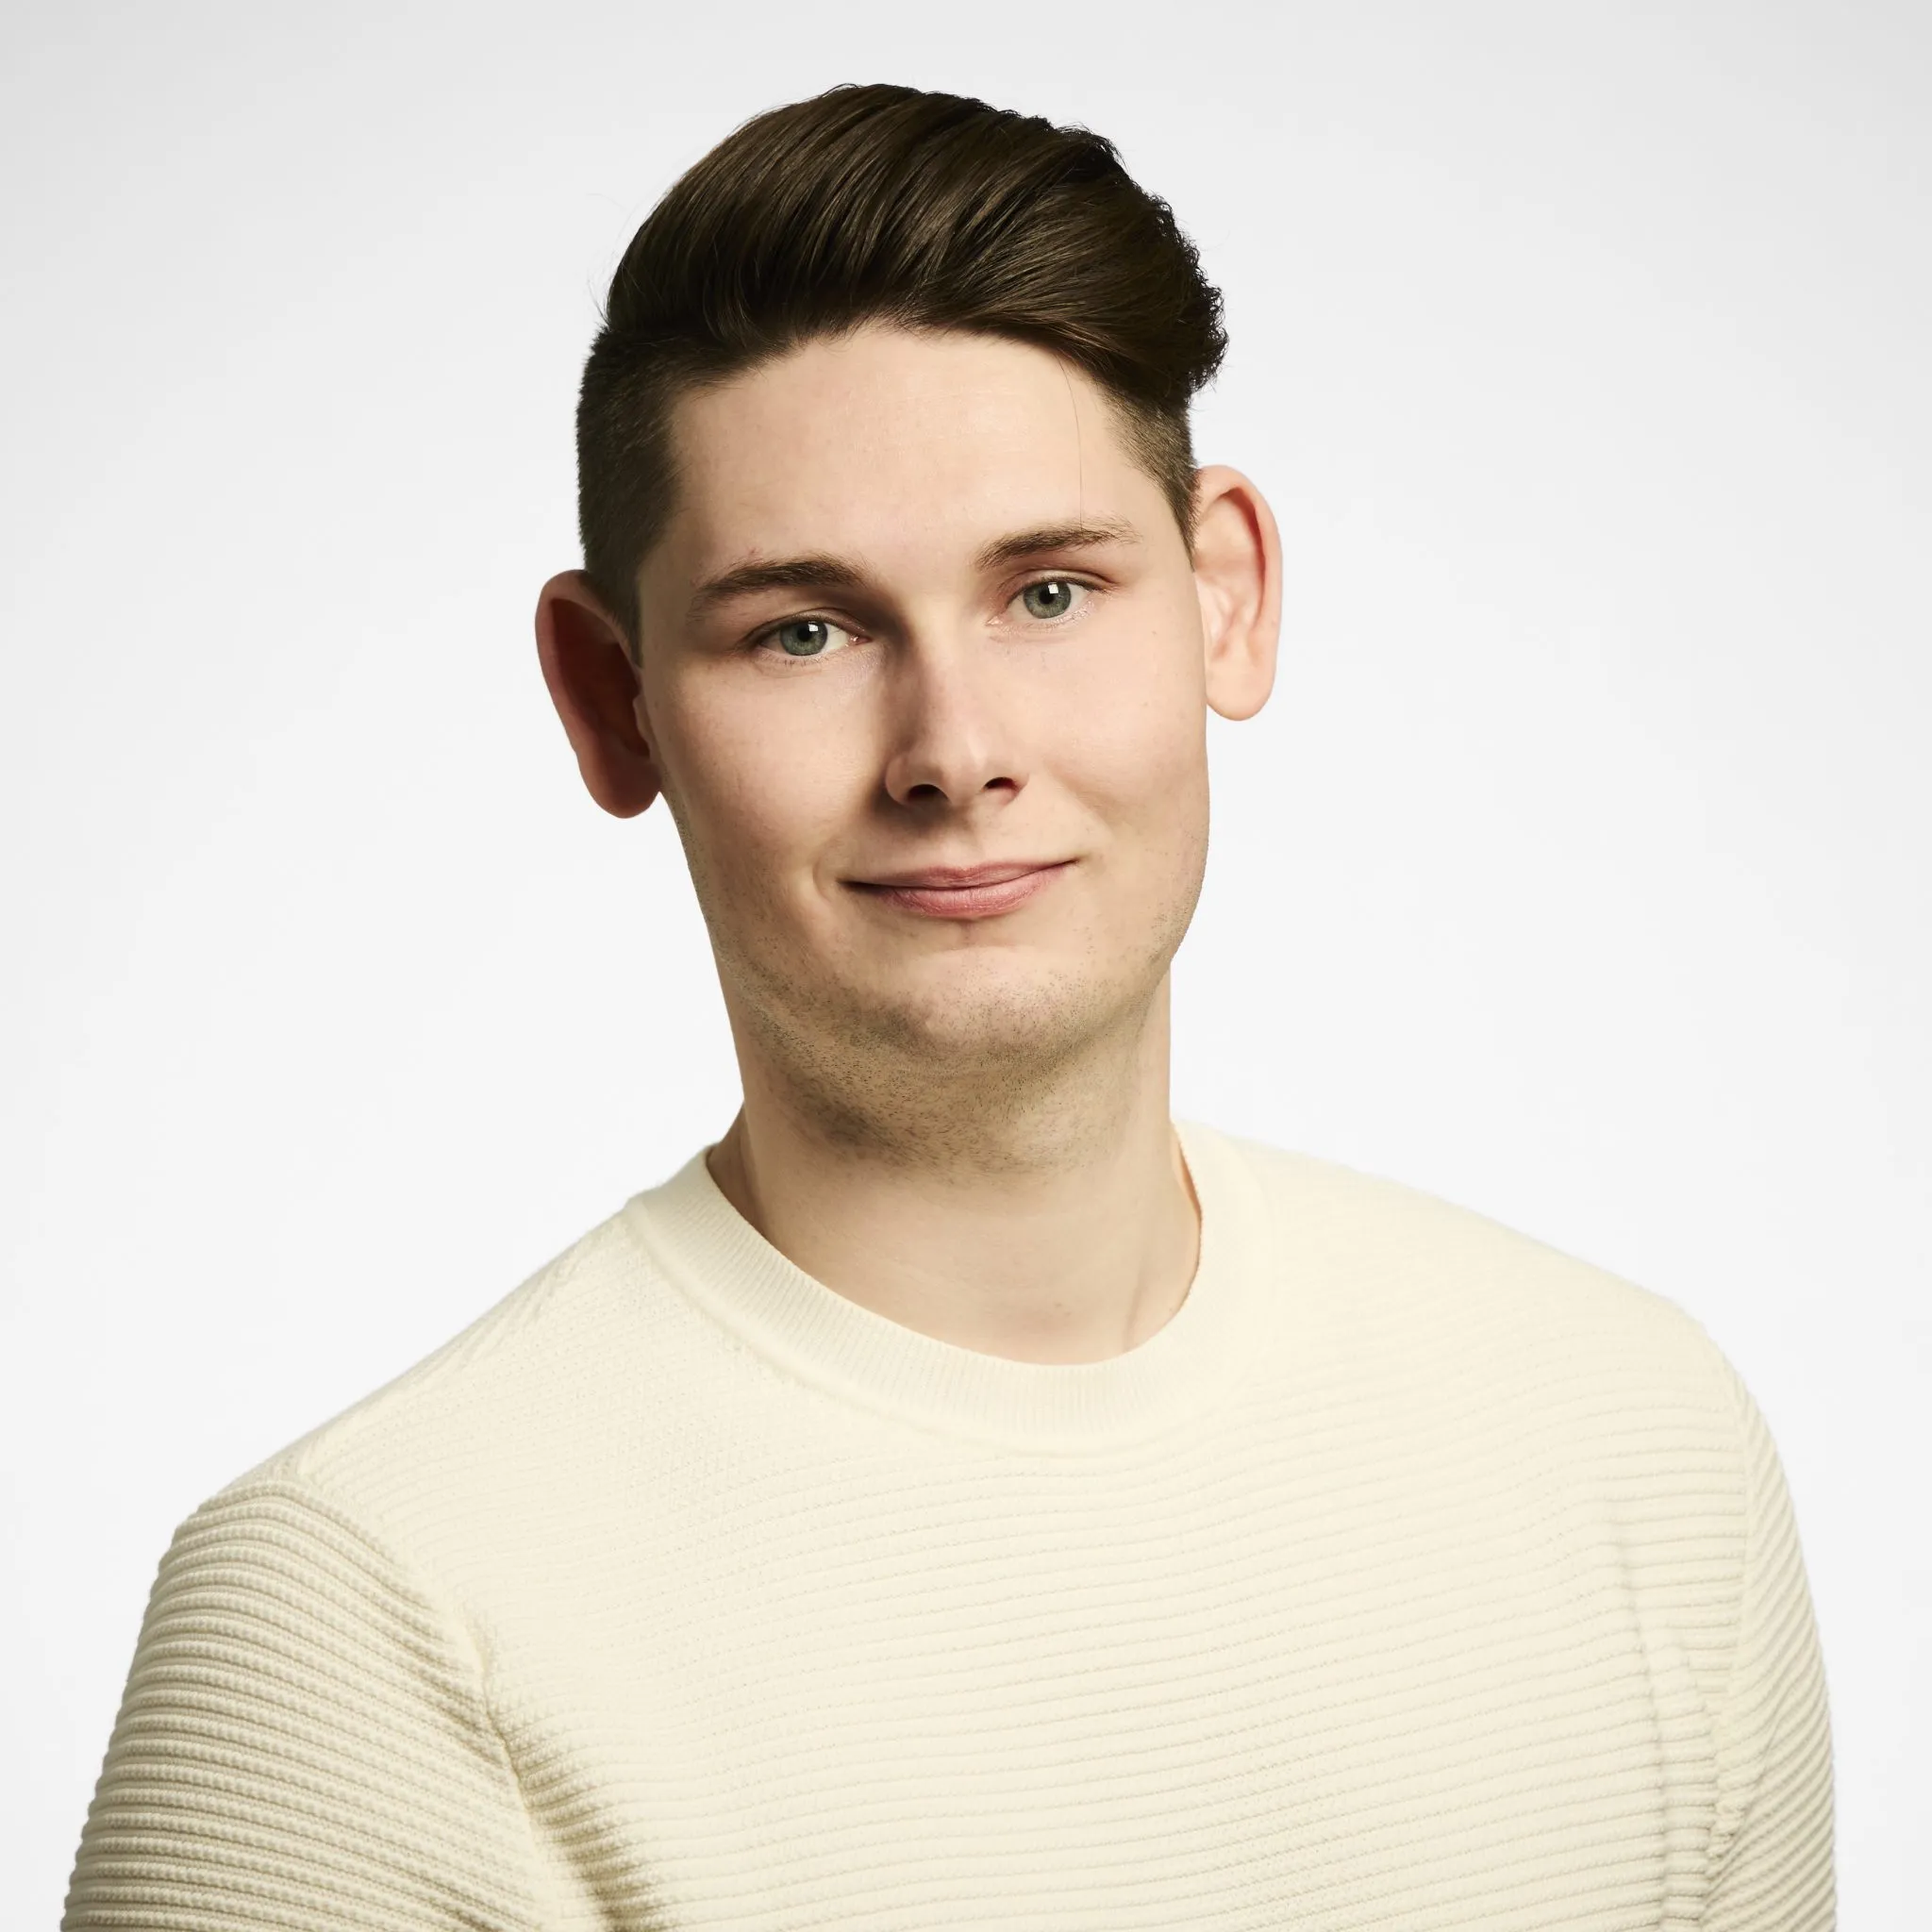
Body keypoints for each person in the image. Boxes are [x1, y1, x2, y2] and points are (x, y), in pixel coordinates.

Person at [61, 82, 1834, 1930]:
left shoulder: (1639, 1444)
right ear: (613, 700)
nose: (954, 751)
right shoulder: (366, 1623)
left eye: (1048, 593)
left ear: (1224, 597)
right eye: (802, 631)